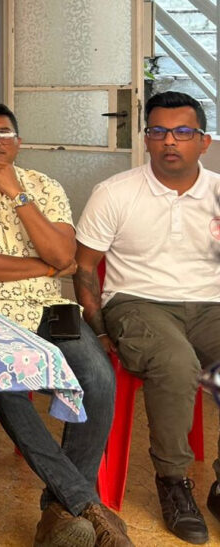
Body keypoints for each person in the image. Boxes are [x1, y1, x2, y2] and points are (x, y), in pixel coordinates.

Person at [0, 102, 130, 547]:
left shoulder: (45, 187)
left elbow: (64, 256)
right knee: (7, 385)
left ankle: (60, 510)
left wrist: (17, 194)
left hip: (49, 310)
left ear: (18, 142)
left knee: (98, 378)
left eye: (3, 132)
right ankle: (86, 505)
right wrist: (46, 267)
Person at [74, 91, 220, 544]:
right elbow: (84, 267)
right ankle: (173, 482)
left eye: (182, 132)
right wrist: (99, 330)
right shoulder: (115, 192)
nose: (169, 141)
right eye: (158, 131)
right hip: (137, 302)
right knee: (176, 363)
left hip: (211, 305)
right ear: (146, 139)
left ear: (204, 141)